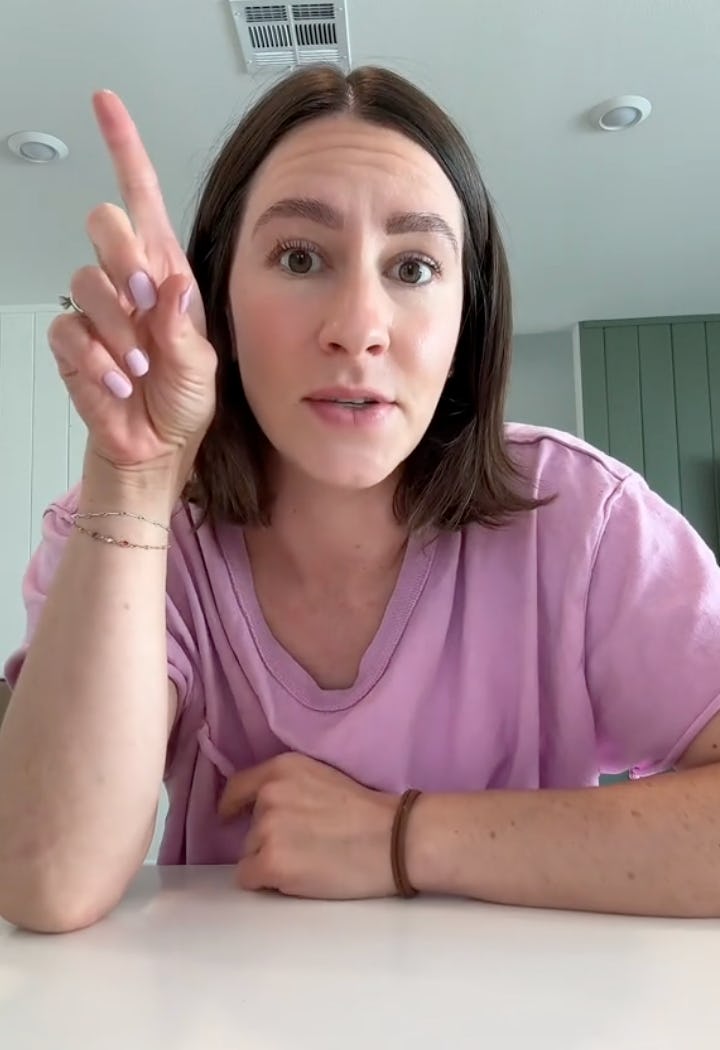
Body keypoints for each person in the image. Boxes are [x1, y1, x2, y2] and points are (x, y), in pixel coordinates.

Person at [1, 65, 720, 935]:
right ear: (220, 304)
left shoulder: (584, 521)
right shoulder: (132, 526)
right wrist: (136, 477)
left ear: (465, 322)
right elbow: (47, 880)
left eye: (413, 267)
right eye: (300, 257)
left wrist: (400, 838)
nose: (357, 327)